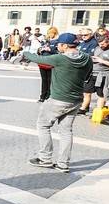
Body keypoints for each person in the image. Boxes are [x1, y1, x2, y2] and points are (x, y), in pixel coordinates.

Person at [21, 32, 91, 172]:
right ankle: (63, 164)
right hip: (76, 100)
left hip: (59, 99)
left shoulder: (60, 59)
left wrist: (25, 52)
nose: (57, 46)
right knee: (66, 131)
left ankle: (45, 159)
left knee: (43, 125)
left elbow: (38, 58)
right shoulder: (87, 58)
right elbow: (87, 76)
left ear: (65, 45)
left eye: (59, 44)